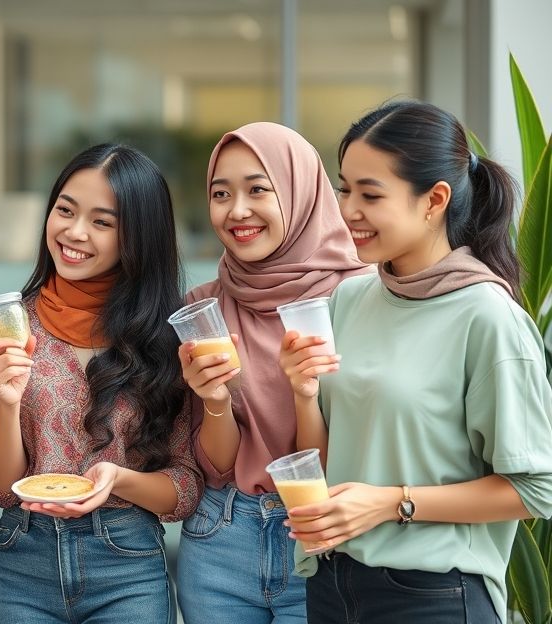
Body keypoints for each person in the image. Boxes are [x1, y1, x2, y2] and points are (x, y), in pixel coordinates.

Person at [280, 100, 552, 623]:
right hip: (333, 586)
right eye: (345, 188)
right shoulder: (348, 300)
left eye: (371, 194)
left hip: (434, 597)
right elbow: (329, 464)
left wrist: (394, 502)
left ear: (434, 200)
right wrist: (304, 393)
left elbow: (534, 488)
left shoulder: (489, 318)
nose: (348, 210)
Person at [0, 143, 202, 623]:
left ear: (138, 237)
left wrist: (116, 479)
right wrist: (8, 402)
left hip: (127, 566)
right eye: (65, 210)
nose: (74, 232)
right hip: (22, 562)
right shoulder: (13, 325)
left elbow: (184, 488)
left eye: (102, 222)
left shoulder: (166, 338)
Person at [174, 122, 367, 623]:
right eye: (221, 193)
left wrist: (306, 392)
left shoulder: (361, 298)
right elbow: (215, 467)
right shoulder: (204, 308)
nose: (237, 211)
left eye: (258, 189)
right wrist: (214, 398)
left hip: (327, 542)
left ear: (300, 192)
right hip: (222, 538)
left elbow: (346, 458)